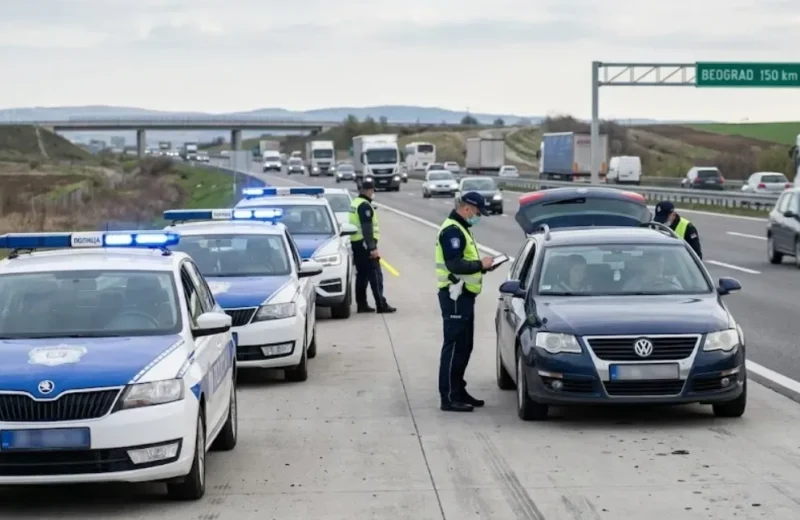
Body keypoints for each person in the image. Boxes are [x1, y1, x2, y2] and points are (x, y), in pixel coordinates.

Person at [435, 192, 495, 412]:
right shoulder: (452, 230)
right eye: (477, 212)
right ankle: (449, 397)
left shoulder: (462, 228)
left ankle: (459, 390)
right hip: (455, 296)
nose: (478, 217)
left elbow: (464, 263)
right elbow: (454, 264)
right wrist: (480, 265)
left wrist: (484, 268)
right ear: (467, 208)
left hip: (464, 295)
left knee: (465, 346)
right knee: (453, 347)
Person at [349, 179, 396, 314]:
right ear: (369, 191)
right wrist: (372, 248)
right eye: (372, 191)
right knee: (376, 275)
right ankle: (381, 305)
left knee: (362, 276)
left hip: (356, 244)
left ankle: (362, 304)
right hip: (365, 245)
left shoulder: (355, 203)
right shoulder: (365, 206)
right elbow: (367, 228)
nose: (373, 193)